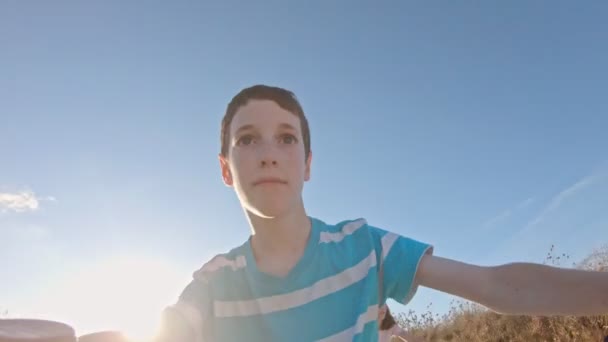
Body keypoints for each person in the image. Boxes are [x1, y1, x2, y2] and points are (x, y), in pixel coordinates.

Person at [155, 84, 608, 341]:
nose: (268, 154)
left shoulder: (363, 248)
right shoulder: (215, 283)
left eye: (287, 138)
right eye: (247, 139)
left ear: (308, 163)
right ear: (225, 169)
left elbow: (494, 283)